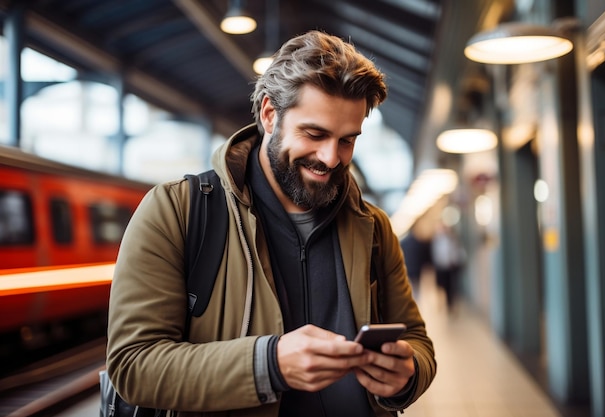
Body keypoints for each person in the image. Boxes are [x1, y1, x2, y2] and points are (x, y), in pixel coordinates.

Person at [106, 30, 436, 417]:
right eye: (315, 134)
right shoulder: (176, 211)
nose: (331, 158)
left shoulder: (373, 226)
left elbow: (417, 341)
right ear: (268, 114)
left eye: (348, 140)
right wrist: (268, 364)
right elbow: (133, 365)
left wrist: (408, 374)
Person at [431, 222, 465, 311]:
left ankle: (450, 305)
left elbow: (457, 253)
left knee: (450, 287)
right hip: (440, 267)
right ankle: (441, 303)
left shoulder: (452, 240)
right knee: (440, 286)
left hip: (450, 268)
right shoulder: (436, 240)